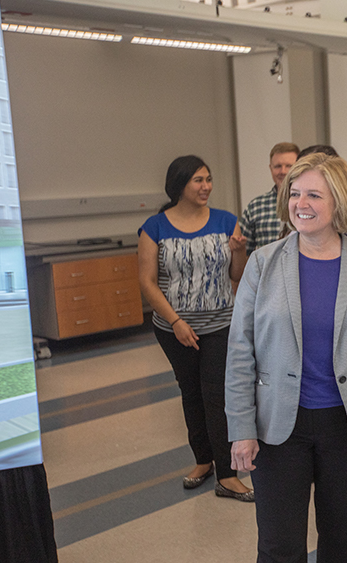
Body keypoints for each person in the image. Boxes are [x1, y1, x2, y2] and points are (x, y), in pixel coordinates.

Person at [225, 153, 347, 563]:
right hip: (277, 426)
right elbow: (239, 353)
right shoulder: (263, 263)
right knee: (279, 545)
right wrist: (240, 427)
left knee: (343, 542)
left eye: (314, 195)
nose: (300, 203)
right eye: (294, 193)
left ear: (339, 200)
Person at [137, 155, 251, 501]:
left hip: (219, 324)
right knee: (191, 393)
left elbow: (236, 278)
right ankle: (203, 460)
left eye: (209, 179)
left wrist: (239, 252)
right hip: (173, 328)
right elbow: (148, 282)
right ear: (179, 186)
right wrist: (176, 322)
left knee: (216, 395)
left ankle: (228, 474)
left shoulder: (226, 221)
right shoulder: (154, 227)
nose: (206, 187)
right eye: (198, 180)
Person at [240, 142, 300, 256]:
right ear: (270, 168)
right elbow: (244, 254)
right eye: (278, 166)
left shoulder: (309, 204)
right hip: (266, 272)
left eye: (289, 166)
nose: (283, 171)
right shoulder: (255, 207)